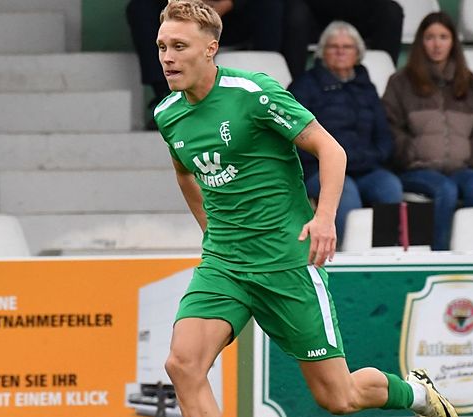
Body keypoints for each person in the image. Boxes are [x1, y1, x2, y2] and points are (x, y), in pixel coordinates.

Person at [153, 1, 459, 417]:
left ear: (210, 48)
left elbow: (331, 151)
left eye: (179, 46)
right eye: (162, 46)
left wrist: (323, 219)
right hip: (225, 264)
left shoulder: (253, 94)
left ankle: (416, 394)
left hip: (286, 264)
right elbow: (185, 173)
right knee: (183, 364)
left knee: (337, 396)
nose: (167, 56)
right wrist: (211, 232)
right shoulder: (168, 114)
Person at [382, 12, 473, 251]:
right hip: (416, 169)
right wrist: (412, 154)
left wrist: (471, 154)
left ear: (453, 42)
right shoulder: (400, 82)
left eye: (443, 37)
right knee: (445, 190)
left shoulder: (471, 83)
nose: (437, 44)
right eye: (430, 37)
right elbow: (390, 127)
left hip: (460, 168)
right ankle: (438, 256)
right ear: (421, 42)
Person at [288, 21, 403, 244]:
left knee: (390, 187)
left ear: (357, 53)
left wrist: (369, 158)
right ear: (322, 52)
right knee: (346, 194)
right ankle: (341, 254)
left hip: (366, 167)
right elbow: (295, 135)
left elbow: (384, 136)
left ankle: (384, 253)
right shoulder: (304, 85)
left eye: (347, 47)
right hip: (319, 168)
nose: (340, 51)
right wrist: (334, 161)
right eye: (334, 46)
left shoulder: (366, 87)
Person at [126, 0, 286, 127]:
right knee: (140, 7)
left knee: (270, 4)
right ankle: (167, 96)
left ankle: (267, 89)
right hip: (184, 15)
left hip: (230, 15)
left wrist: (227, 4)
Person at [282, 0, 404, 79]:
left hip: (359, 13)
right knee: (295, 12)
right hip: (316, 14)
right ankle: (293, 88)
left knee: (392, 11)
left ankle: (384, 83)